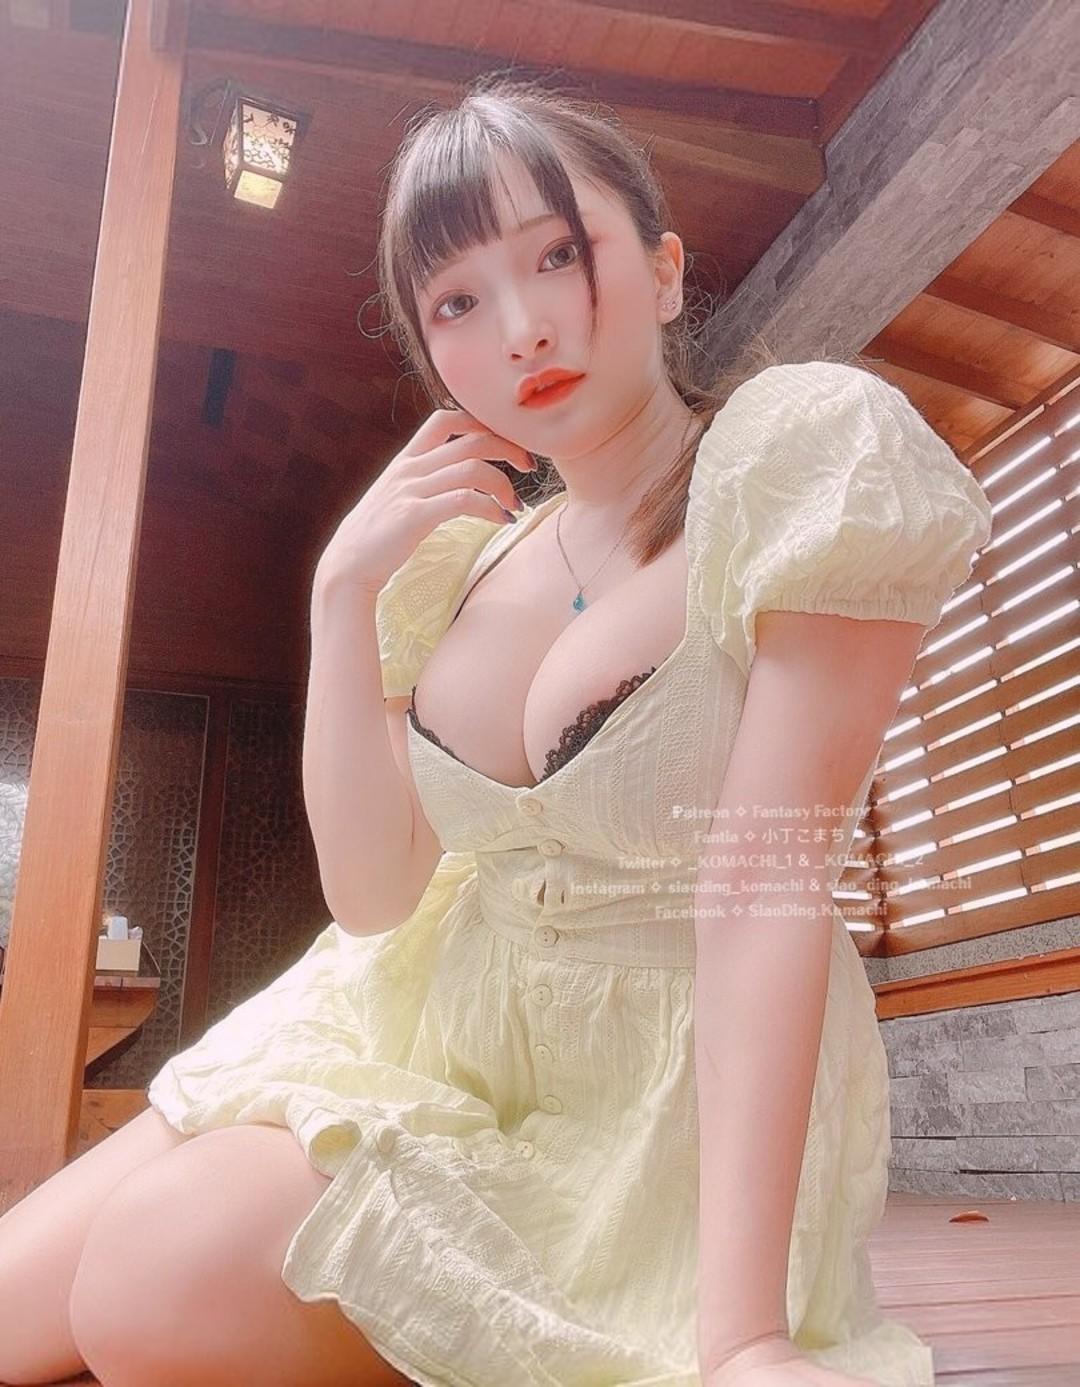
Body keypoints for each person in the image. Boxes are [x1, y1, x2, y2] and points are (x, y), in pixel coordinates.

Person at [0, 75, 992, 1387]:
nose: (522, 329)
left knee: (149, 1284)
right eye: (458, 302)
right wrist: (339, 596)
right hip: (407, 1028)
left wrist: (744, 1336)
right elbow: (373, 897)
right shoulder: (456, 563)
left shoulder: (794, 455)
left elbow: (763, 890)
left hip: (639, 1111)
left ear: (664, 271)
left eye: (557, 257)